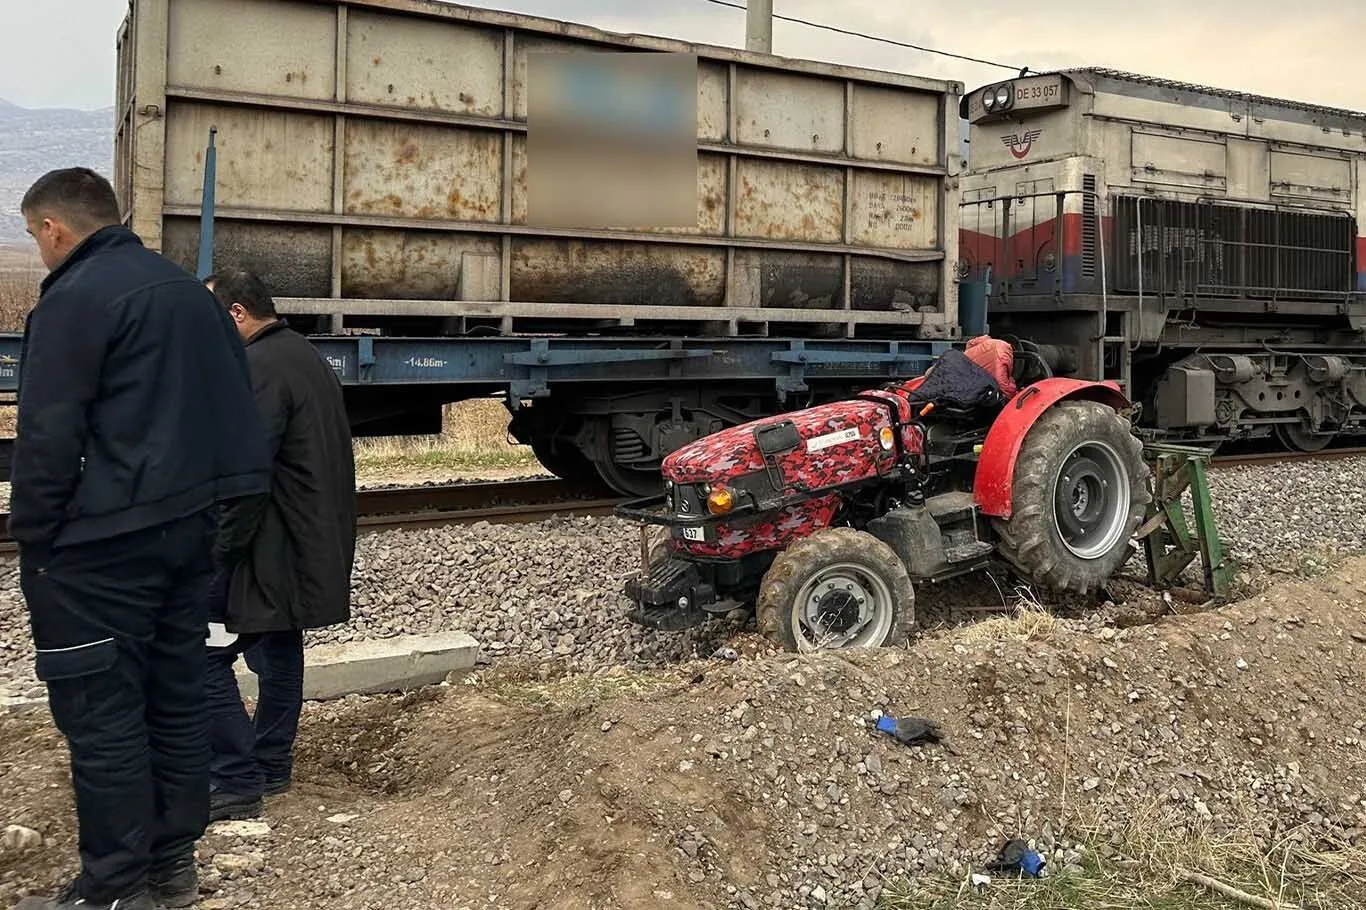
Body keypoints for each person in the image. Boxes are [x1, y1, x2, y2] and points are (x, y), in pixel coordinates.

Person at [11, 169, 271, 910]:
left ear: (56, 229)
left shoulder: (73, 300)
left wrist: (36, 541)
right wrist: (215, 527)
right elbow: (237, 425)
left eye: (34, 237)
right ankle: (169, 870)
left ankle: (114, 889)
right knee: (174, 699)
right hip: (187, 538)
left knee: (104, 716)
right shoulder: (195, 297)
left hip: (98, 549)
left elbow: (48, 435)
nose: (38, 251)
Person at [201, 268, 356, 822]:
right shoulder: (303, 355)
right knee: (279, 652)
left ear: (237, 313)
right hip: (302, 542)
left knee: (200, 655)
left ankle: (236, 779)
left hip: (265, 550)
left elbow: (245, 480)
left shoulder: (257, 367)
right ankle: (270, 765)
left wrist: (213, 557)